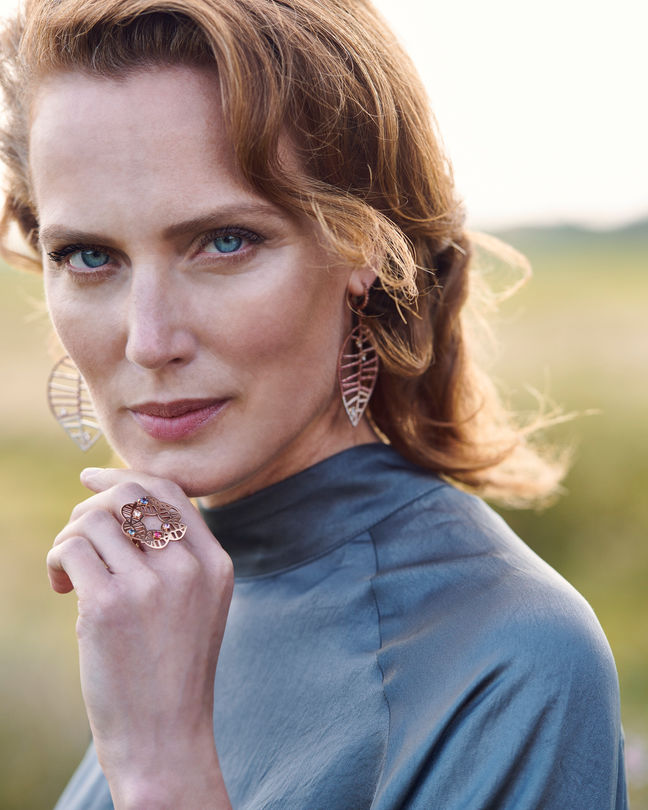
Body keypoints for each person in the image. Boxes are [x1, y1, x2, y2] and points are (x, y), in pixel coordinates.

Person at [0, 1, 627, 808]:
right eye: (89, 256)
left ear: (362, 244)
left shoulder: (512, 664)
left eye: (226, 241)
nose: (149, 340)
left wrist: (162, 770)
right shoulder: (178, 596)